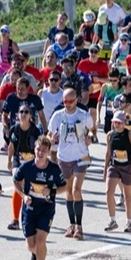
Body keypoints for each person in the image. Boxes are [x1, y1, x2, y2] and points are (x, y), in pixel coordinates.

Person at [13, 135, 66, 260]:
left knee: (41, 241)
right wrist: (24, 196)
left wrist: (52, 191)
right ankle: (35, 254)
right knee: (31, 245)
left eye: (43, 150)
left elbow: (64, 187)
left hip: (46, 209)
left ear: (48, 152)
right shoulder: (27, 167)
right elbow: (16, 181)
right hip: (29, 209)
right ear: (34, 149)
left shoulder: (54, 169)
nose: (40, 152)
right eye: (38, 149)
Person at [47, 88, 93, 240]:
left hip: (80, 156)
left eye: (70, 101)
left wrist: (90, 137)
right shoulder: (58, 116)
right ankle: (71, 224)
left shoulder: (83, 115)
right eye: (65, 101)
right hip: (64, 157)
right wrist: (51, 139)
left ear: (76, 100)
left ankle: (79, 226)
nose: (67, 104)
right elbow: (49, 134)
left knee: (76, 190)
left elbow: (91, 130)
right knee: (68, 192)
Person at [5, 104, 41, 231]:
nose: (23, 114)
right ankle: (15, 219)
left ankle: (33, 218)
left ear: (30, 115)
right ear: (17, 114)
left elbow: (39, 148)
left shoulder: (35, 131)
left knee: (31, 188)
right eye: (21, 112)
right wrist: (9, 160)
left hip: (31, 160)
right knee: (17, 182)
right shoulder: (14, 129)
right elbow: (11, 146)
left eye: (26, 112)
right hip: (18, 159)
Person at [103, 110, 131, 233]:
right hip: (114, 166)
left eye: (119, 123)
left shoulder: (130, 135)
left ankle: (129, 222)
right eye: (115, 122)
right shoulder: (110, 135)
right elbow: (108, 153)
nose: (117, 125)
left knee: (128, 196)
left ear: (124, 123)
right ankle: (112, 220)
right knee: (109, 192)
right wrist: (105, 169)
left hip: (128, 167)